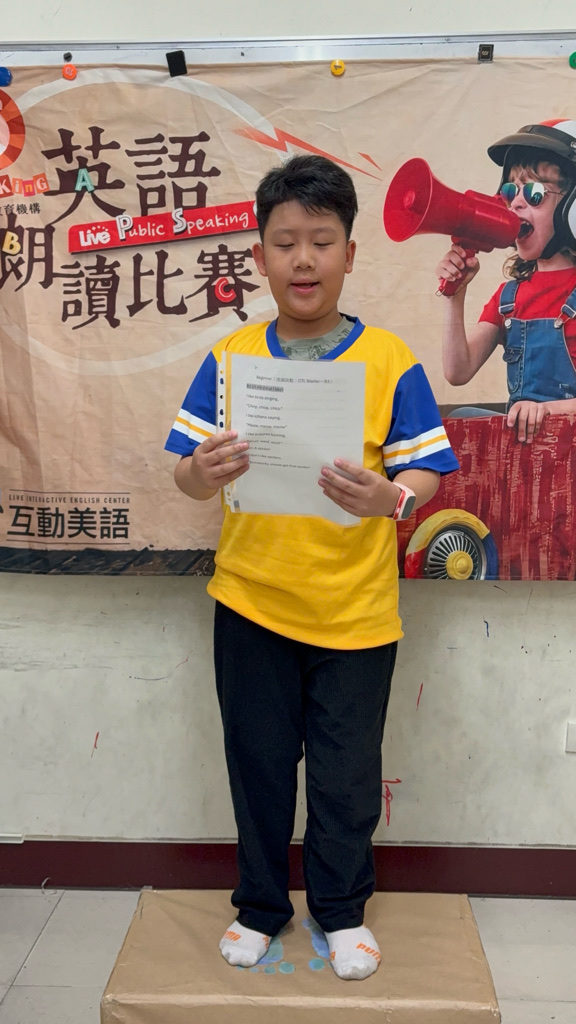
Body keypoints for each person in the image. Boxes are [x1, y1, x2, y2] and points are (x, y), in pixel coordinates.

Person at [165, 154, 458, 981]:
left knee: (345, 777)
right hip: (250, 604)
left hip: (356, 614)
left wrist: (392, 500)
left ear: (350, 255)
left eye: (322, 242)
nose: (303, 260)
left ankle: (341, 911)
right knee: (257, 767)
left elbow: (427, 473)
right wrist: (202, 472)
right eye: (285, 242)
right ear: (258, 255)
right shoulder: (231, 358)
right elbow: (185, 473)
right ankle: (260, 907)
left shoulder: (389, 359)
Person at [437, 120, 576, 442]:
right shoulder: (508, 297)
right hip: (525, 452)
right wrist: (455, 296)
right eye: (510, 191)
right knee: (462, 418)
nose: (515, 203)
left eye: (535, 193)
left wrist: (549, 410)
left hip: (570, 448)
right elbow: (457, 371)